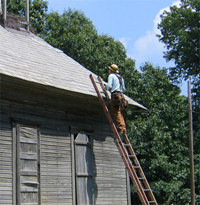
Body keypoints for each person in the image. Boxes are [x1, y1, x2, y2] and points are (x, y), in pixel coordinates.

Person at [106, 64, 126, 141]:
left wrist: (106, 87)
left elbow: (110, 86)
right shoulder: (120, 77)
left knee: (116, 113)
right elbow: (123, 88)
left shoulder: (111, 76)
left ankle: (121, 130)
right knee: (120, 113)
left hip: (115, 95)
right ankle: (123, 128)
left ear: (111, 70)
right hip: (121, 96)